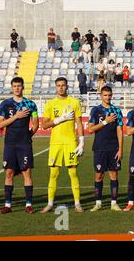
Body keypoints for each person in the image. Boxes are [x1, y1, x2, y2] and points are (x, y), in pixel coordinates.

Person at [41, 77, 85, 213]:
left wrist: (82, 141)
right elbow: (44, 125)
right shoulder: (50, 104)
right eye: (58, 85)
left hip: (71, 142)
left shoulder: (74, 102)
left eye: (63, 85)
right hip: (56, 143)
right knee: (53, 173)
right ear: (55, 87)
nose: (61, 87)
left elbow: (78, 122)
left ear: (67, 86)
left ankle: (77, 203)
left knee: (73, 172)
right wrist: (60, 119)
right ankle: (49, 204)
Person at [0, 77, 39, 214]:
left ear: (23, 87)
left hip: (24, 144)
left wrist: (27, 137)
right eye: (14, 86)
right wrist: (16, 116)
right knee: (8, 173)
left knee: (27, 172)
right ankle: (7, 205)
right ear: (11, 87)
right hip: (10, 144)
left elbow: (36, 124)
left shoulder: (31, 104)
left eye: (19, 86)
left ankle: (28, 204)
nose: (17, 88)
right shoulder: (5, 104)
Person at [88, 86, 124, 212]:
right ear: (101, 95)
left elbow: (120, 131)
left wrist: (120, 149)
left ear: (112, 95)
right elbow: (90, 129)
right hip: (99, 148)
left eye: (109, 95)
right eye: (105, 95)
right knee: (99, 175)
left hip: (114, 148)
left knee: (114, 175)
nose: (107, 97)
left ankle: (114, 203)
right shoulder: (96, 110)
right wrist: (105, 121)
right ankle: (98, 203)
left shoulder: (117, 111)